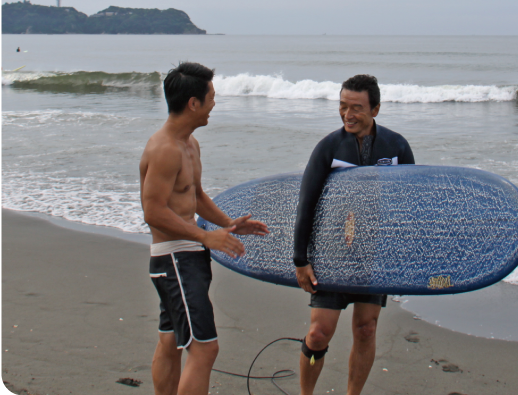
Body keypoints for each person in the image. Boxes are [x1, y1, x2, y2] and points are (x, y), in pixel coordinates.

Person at [139, 62, 269, 395]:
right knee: (204, 348)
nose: (215, 103)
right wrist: (203, 236)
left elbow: (193, 195)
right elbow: (153, 211)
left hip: (184, 258)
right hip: (175, 260)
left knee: (171, 341)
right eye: (211, 97)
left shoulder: (189, 144)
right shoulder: (165, 149)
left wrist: (228, 224)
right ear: (193, 103)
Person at [294, 74, 415, 395]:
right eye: (343, 106)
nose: (348, 114)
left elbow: (407, 203)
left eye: (357, 108)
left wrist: (402, 257)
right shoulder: (328, 147)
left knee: (366, 329)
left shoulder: (397, 146)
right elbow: (306, 203)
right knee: (319, 333)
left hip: (372, 254)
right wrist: (300, 259)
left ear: (375, 109)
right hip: (331, 252)